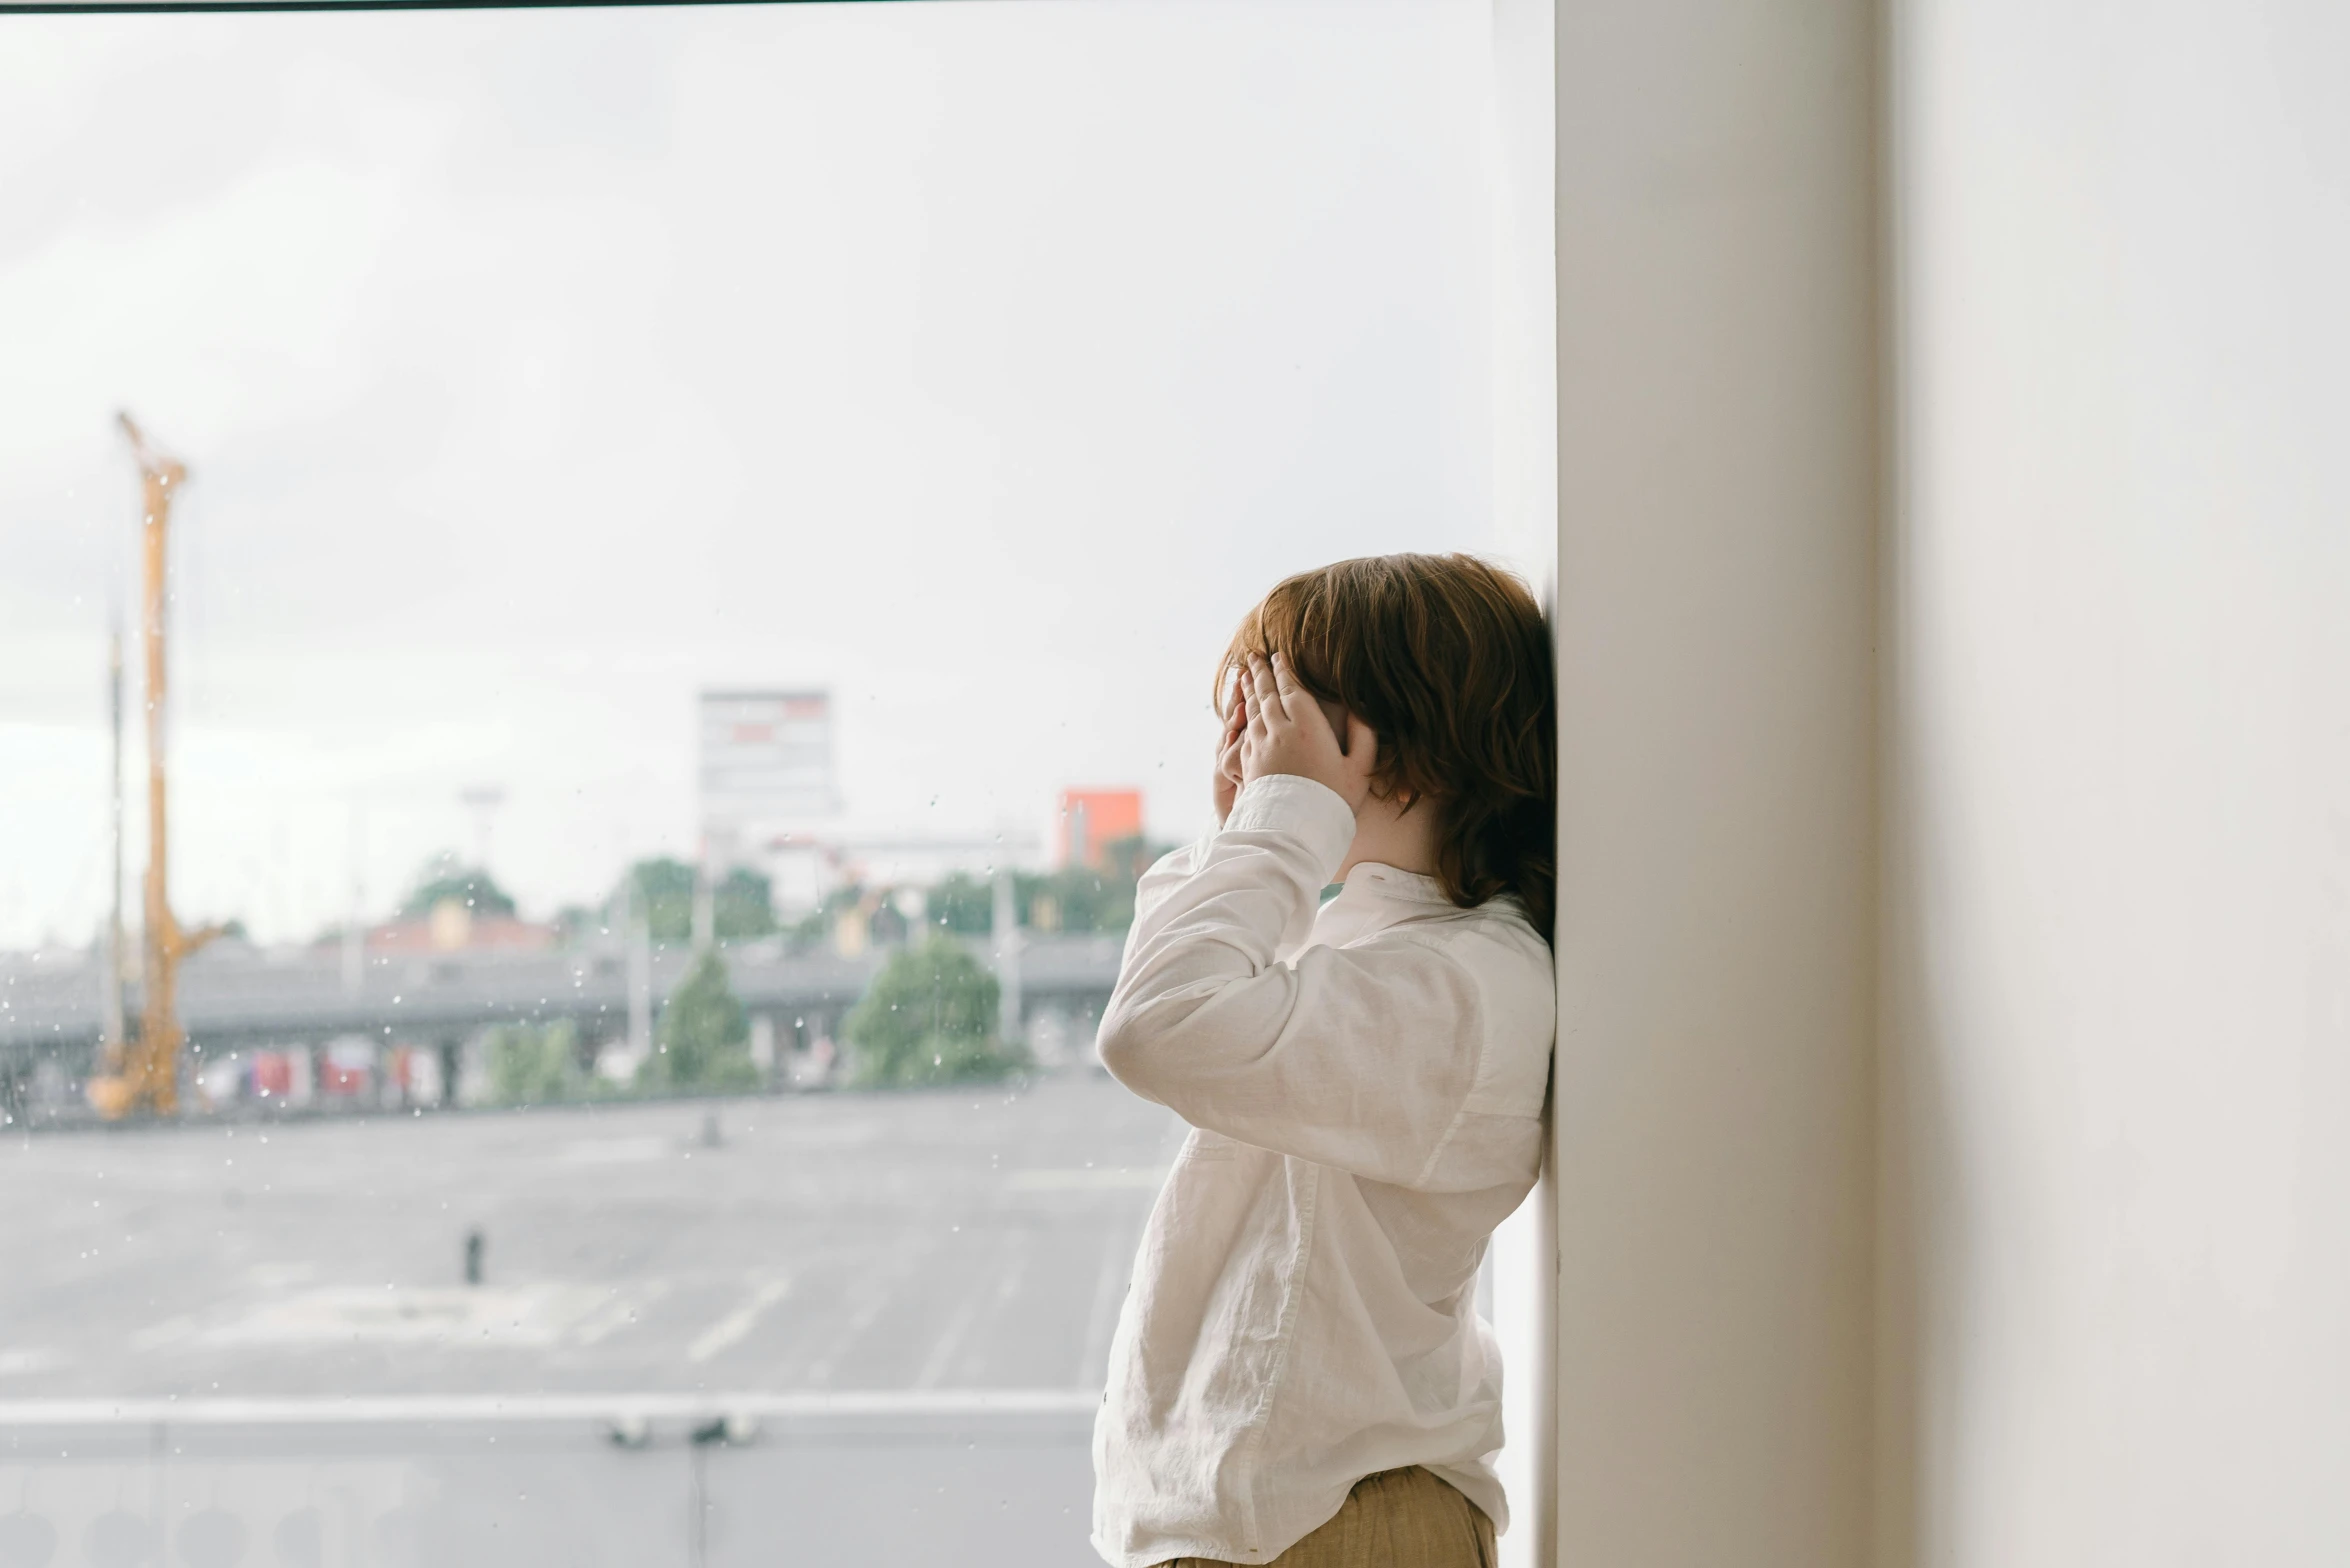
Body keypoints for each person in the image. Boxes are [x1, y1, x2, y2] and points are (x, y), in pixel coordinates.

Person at [1092, 554, 1557, 1568]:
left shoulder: (1465, 988)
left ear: (1403, 748)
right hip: (1287, 1517)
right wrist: (1244, 827)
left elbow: (1154, 1023)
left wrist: (1281, 821)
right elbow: (1174, 974)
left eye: (1280, 709)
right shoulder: (1364, 945)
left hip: (1341, 1524)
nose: (1256, 743)